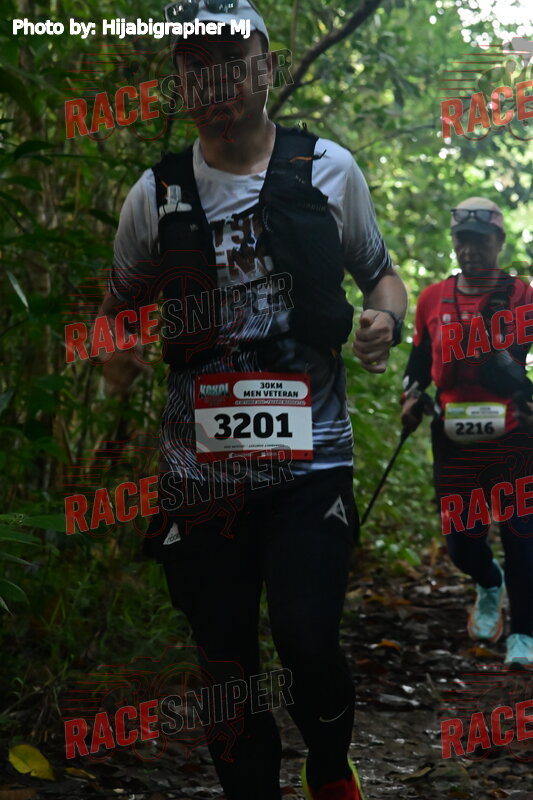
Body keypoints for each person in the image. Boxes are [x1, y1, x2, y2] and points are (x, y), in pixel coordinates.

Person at [96, 2, 407, 798]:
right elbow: (115, 312)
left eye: (230, 61)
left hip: (312, 464)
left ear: (266, 67)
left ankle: (329, 766)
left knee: (307, 640)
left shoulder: (326, 170)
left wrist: (384, 321)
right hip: (200, 474)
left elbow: (380, 274)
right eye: (193, 64)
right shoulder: (155, 194)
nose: (213, 80)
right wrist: (117, 351)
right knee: (224, 662)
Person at [400, 196, 533, 668]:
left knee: (521, 535)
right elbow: (418, 365)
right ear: (454, 242)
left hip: (514, 434)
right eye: (462, 240)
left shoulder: (522, 296)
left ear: (499, 241)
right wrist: (410, 397)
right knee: (462, 543)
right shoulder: (432, 299)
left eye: (480, 241)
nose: (470, 249)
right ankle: (489, 581)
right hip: (454, 436)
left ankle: (523, 634)